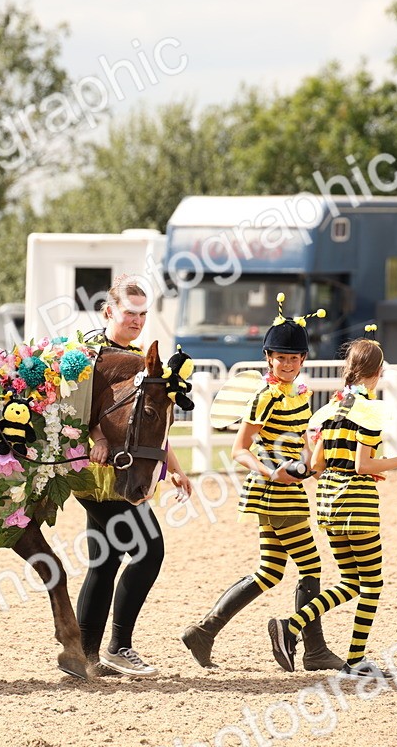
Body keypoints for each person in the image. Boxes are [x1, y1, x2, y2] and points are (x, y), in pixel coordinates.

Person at [181, 294, 345, 671]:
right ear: (268, 358)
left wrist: (317, 464)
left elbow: (304, 443)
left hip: (289, 487)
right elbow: (239, 450)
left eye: (293, 358)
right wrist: (273, 472)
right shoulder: (266, 397)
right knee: (311, 567)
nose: (287, 364)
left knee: (270, 571)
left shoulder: (299, 395)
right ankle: (314, 649)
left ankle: (204, 632)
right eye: (280, 358)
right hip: (274, 492)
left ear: (303, 360)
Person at [268, 336, 397, 679]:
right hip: (357, 506)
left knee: (350, 582)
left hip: (328, 503)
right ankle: (354, 660)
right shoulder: (372, 409)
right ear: (378, 371)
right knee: (371, 584)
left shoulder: (329, 409)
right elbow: (362, 465)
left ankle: (290, 626)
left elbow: (318, 465)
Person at [74, 277, 194, 677]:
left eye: (143, 314)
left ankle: (84, 656)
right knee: (148, 551)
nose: (137, 320)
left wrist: (174, 469)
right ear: (109, 311)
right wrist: (96, 437)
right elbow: (78, 408)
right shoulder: (87, 354)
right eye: (130, 313)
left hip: (125, 471)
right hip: (98, 474)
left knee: (105, 561)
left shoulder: (143, 361)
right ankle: (118, 648)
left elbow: (149, 426)